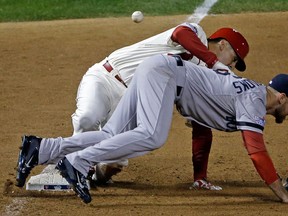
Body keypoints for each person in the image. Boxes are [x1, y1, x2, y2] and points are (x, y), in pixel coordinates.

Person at [16, 54, 288, 204]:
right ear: (283, 97)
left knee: (113, 134)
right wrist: (282, 193)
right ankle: (78, 161)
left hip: (160, 70)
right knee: (152, 135)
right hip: (165, 75)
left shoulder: (249, 94)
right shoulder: (254, 101)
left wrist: (200, 176)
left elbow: (203, 129)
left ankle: (41, 148)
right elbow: (256, 150)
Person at [62, 22, 249, 189]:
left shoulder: (201, 78)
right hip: (105, 78)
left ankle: (90, 171)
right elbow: (180, 33)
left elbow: (201, 126)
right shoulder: (196, 34)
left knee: (115, 161)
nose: (231, 66)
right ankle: (65, 163)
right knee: (88, 117)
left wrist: (200, 176)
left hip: (130, 103)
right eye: (234, 59)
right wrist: (214, 62)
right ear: (223, 44)